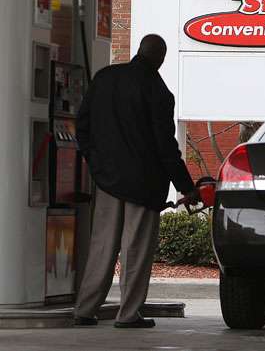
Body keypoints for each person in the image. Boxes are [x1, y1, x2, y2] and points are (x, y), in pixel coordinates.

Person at [74, 34, 199, 328]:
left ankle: (85, 309)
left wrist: (95, 163)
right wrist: (186, 187)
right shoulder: (157, 91)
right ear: (161, 58)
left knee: (102, 244)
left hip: (107, 180)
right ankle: (128, 314)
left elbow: (83, 125)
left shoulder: (104, 78)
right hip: (143, 184)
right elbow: (165, 147)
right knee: (136, 249)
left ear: (138, 51)